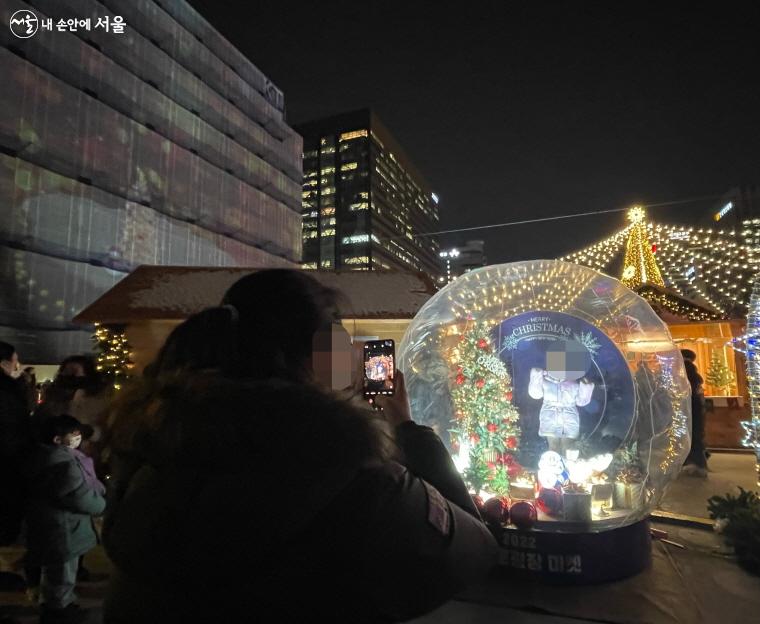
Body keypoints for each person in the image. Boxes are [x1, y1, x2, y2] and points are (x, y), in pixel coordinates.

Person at [102, 269, 497, 623]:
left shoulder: (151, 460)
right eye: (340, 334)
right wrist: (408, 429)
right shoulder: (353, 475)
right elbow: (472, 551)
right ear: (320, 352)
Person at [25, 414, 106, 623]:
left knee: (55, 572)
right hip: (64, 529)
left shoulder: (43, 458)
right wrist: (102, 505)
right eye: (74, 433)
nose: (79, 437)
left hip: (52, 526)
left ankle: (57, 604)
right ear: (57, 440)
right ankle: (58, 610)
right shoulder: (64, 465)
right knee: (62, 575)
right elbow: (80, 497)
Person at [0, 342, 33, 553]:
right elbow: (12, 428)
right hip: (7, 462)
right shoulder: (7, 393)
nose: (17, 365)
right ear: (3, 364)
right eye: (15, 361)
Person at [681, 349, 708, 477]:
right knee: (695, 436)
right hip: (695, 410)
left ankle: (694, 462)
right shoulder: (695, 374)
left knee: (689, 436)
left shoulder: (684, 371)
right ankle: (698, 462)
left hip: (688, 409)